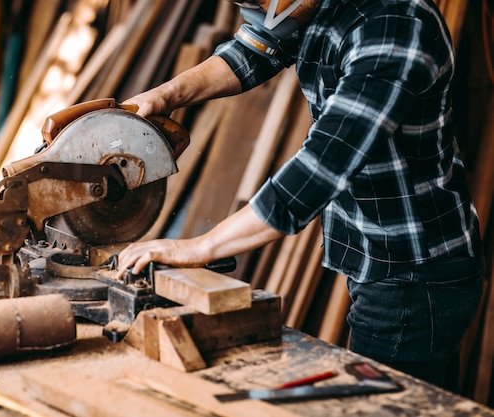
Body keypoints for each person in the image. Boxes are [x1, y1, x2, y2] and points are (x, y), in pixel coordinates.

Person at [115, 0, 484, 392]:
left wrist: (200, 247)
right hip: (382, 256)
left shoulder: (394, 26)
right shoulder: (309, 6)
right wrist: (167, 95)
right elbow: (255, 49)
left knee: (388, 404)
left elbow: (321, 168)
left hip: (414, 271)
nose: (259, 10)